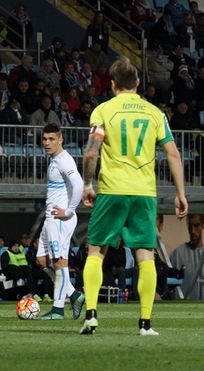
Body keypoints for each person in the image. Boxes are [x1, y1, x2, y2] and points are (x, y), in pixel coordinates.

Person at [80, 57, 188, 336]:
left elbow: (91, 152)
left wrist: (88, 184)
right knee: (146, 256)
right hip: (144, 193)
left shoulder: (103, 110)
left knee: (96, 252)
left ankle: (91, 315)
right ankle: (145, 324)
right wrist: (180, 193)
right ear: (138, 83)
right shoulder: (155, 113)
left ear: (112, 84)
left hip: (112, 190)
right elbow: (173, 154)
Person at [34, 123, 86, 320]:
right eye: (44, 139)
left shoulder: (64, 160)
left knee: (59, 263)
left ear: (60, 140)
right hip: (51, 219)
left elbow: (78, 185)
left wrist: (69, 210)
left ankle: (58, 309)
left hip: (60, 220)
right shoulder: (54, 160)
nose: (47, 143)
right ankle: (73, 294)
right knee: (42, 260)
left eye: (51, 139)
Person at [170, 214, 204, 300]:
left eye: (196, 225)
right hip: (184, 306)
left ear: (203, 224)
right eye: (190, 226)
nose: (192, 231)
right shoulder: (178, 254)